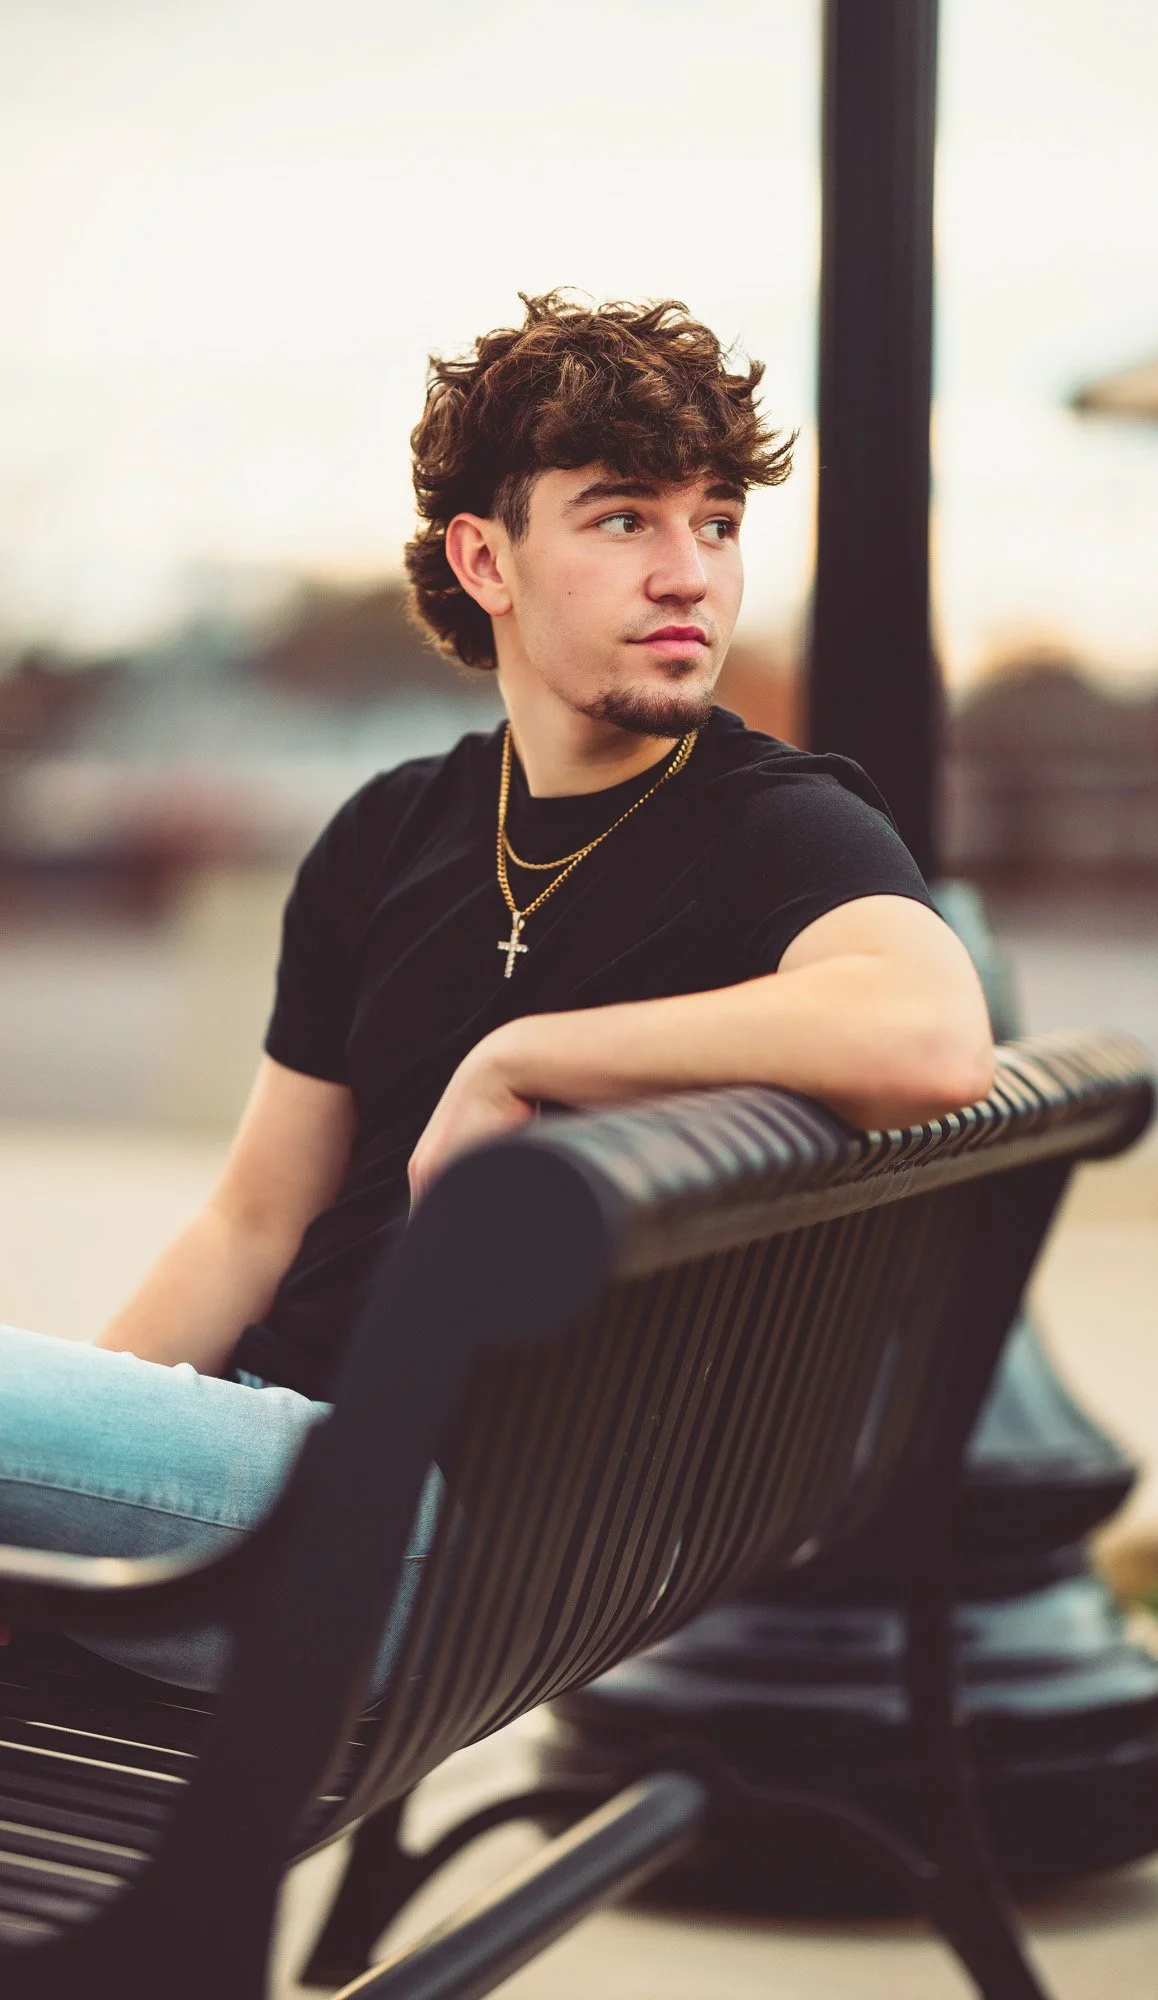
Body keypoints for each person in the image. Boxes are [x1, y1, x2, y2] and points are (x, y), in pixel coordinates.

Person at [0, 293, 993, 1693]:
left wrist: (528, 1053)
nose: (688, 575)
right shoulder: (388, 832)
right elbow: (253, 1220)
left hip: (412, 1531)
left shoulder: (776, 827)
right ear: (486, 558)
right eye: (622, 519)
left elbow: (931, 1030)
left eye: (715, 523)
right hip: (254, 1470)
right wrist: (82, 1439)